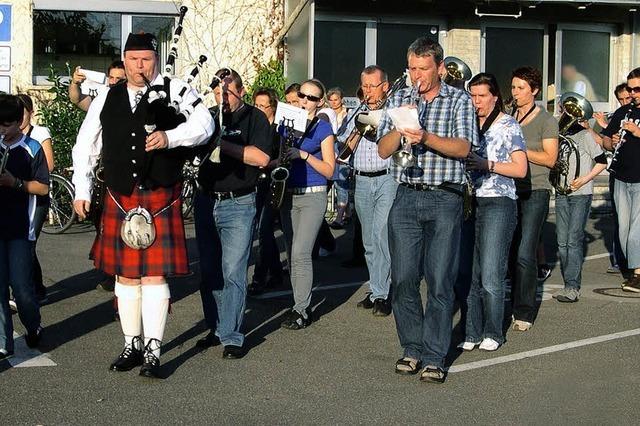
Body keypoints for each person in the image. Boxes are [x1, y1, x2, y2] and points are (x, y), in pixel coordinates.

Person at [72, 33, 214, 378]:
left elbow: (205, 125)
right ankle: (130, 344)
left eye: (147, 59)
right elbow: (85, 144)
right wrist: (82, 188)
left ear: (155, 59)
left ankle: (153, 350)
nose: (140, 67)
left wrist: (170, 137)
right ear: (124, 60)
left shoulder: (176, 89)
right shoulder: (107, 96)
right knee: (125, 276)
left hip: (159, 192)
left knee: (152, 276)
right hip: (121, 193)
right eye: (133, 60)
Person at [378, 37, 478, 383]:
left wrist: (425, 137)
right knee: (403, 278)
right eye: (411, 68)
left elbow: (464, 147)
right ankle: (412, 347)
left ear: (439, 68)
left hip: (444, 197)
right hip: (405, 195)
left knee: (439, 279)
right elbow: (382, 149)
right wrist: (401, 130)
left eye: (422, 68)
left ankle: (435, 355)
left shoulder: (459, 100)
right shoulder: (399, 97)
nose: (416, 75)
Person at [193, 68, 271, 357]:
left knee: (233, 271)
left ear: (241, 90)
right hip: (205, 200)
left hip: (238, 203)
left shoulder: (255, 117)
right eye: (217, 93)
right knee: (209, 270)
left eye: (227, 92)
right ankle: (215, 328)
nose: (222, 98)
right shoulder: (208, 117)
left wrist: (220, 144)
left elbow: (261, 158)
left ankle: (232, 336)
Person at [458, 74, 528, 352]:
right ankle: (472, 331)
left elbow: (520, 169)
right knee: (468, 273)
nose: (476, 102)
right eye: (472, 96)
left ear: (495, 97)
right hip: (469, 201)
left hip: (498, 201)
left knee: (490, 273)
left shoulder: (508, 125)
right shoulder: (467, 123)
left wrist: (486, 163)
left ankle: (493, 332)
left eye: (482, 96)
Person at [338, 65, 397, 316]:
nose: (368, 91)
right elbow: (342, 140)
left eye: (373, 86)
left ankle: (384, 294)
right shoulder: (356, 113)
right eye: (365, 86)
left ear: (385, 86)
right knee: (368, 241)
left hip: (386, 178)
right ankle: (376, 289)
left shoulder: (393, 113)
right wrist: (357, 127)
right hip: (361, 179)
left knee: (381, 234)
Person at [279, 78, 336, 329]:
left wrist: (304, 155)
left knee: (301, 252)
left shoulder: (323, 128)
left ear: (319, 102)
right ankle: (297, 303)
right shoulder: (285, 125)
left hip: (313, 193)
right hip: (288, 192)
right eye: (302, 95)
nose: (304, 101)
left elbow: (330, 169)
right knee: (292, 252)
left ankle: (302, 309)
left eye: (311, 98)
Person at [508, 66, 559, 332]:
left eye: (521, 88)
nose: (515, 93)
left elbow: (550, 159)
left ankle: (524, 311)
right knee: (510, 249)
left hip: (536, 189)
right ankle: (511, 301)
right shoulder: (508, 115)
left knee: (526, 252)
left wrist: (520, 150)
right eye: (514, 87)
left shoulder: (546, 120)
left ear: (534, 91)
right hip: (509, 188)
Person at [0, 94, 49, 360]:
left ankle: (33, 325)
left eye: (7, 124)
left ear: (20, 121)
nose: (2, 130)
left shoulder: (32, 147)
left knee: (21, 288)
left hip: (21, 228)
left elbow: (43, 186)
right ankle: (3, 342)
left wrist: (16, 183)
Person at [551, 109, 608, 303]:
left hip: (580, 194)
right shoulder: (560, 136)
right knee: (562, 241)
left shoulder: (584, 136)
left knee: (573, 240)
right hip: (561, 192)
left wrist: (584, 179)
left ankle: (572, 287)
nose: (563, 114)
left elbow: (602, 162)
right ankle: (569, 283)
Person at [601, 67, 640, 292]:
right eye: (631, 89)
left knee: (636, 230)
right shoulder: (623, 111)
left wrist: (637, 132)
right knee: (624, 231)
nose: (633, 93)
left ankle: (637, 273)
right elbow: (605, 141)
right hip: (621, 177)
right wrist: (612, 141)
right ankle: (633, 268)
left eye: (637, 89)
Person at [17, 94, 54, 305]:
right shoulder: (6, 135)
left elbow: (49, 165)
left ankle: (32, 291)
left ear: (30, 113)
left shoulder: (39, 133)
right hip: (17, 198)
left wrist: (22, 179)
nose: (18, 118)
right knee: (22, 243)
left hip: (36, 197)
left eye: (22, 113)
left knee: (28, 243)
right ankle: (36, 287)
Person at [247, 88, 284, 296]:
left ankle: (259, 277)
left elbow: (283, 156)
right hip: (255, 182)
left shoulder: (279, 129)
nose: (260, 109)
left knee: (263, 229)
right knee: (264, 231)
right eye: (257, 105)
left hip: (272, 182)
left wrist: (266, 163)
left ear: (273, 107)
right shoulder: (253, 126)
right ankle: (276, 271)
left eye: (264, 105)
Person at [594, 83, 632, 275]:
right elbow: (605, 142)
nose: (626, 101)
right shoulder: (619, 114)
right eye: (622, 99)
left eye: (629, 96)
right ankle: (621, 260)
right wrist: (611, 139)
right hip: (618, 173)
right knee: (621, 221)